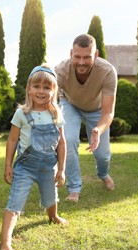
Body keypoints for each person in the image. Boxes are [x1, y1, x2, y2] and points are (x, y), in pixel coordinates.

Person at [0, 64, 68, 250]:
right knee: (15, 202)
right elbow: (12, 140)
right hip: (25, 167)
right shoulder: (22, 113)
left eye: (47, 87)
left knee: (50, 197)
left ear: (53, 91)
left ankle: (53, 217)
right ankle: (5, 243)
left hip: (48, 167)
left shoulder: (56, 114)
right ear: (29, 88)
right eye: (37, 86)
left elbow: (61, 143)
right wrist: (7, 165)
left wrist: (61, 169)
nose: (41, 91)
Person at [55, 33, 117, 202]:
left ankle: (103, 174)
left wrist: (98, 129)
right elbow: (49, 100)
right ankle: (74, 188)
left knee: (103, 154)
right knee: (68, 140)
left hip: (97, 110)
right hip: (70, 104)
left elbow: (108, 112)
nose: (81, 62)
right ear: (71, 54)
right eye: (77, 57)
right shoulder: (60, 71)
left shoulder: (107, 72)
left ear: (95, 55)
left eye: (87, 57)